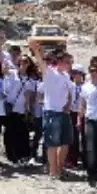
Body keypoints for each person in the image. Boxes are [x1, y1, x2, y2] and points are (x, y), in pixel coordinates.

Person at [32, 41, 73, 179]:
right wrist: (36, 50)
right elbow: (40, 62)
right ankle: (53, 171)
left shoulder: (66, 76)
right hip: (52, 112)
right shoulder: (50, 72)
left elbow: (69, 91)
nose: (69, 65)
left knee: (65, 142)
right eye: (67, 62)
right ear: (60, 62)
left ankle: (60, 168)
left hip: (63, 112)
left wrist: (68, 103)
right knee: (52, 142)